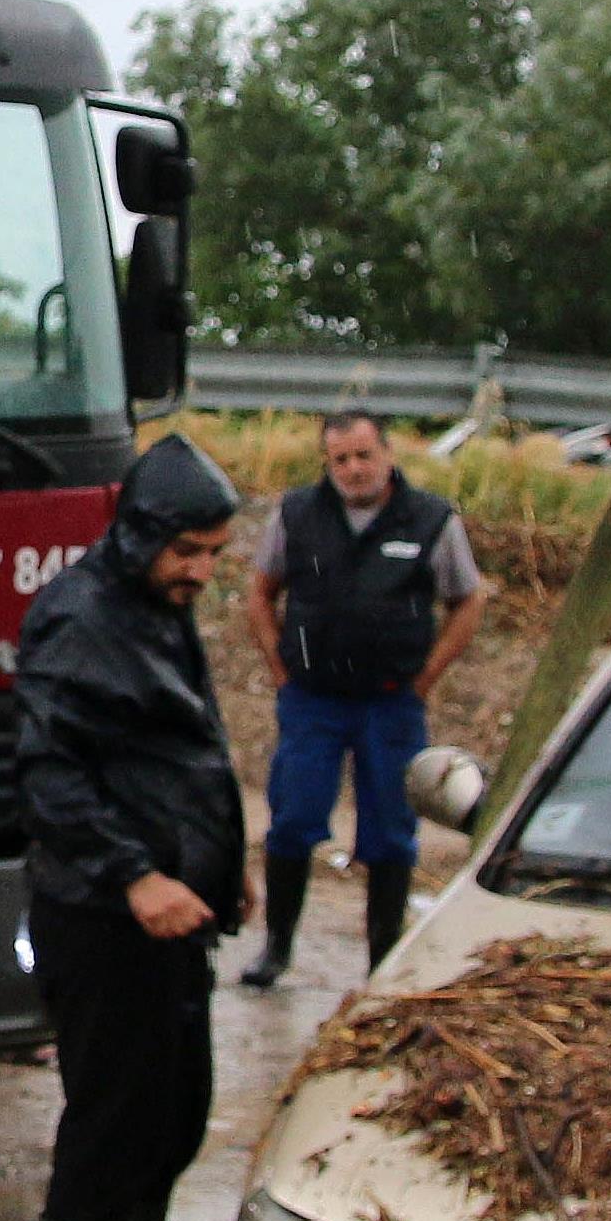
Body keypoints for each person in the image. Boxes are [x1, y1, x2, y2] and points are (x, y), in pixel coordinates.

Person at [12, 433, 251, 1221]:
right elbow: (49, 775)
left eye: (213, 555)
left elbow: (179, 748)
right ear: (144, 532)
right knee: (112, 1123)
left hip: (170, 917)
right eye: (187, 550)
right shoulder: (81, 617)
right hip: (103, 918)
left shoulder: (154, 607)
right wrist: (135, 878)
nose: (200, 571)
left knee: (169, 1116)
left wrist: (220, 869)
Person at [237, 409, 488, 989]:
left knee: (391, 831)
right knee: (294, 818)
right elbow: (258, 591)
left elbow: (469, 601)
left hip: (392, 702)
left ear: (388, 454)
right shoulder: (296, 513)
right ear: (327, 462)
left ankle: (382, 958)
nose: (353, 469)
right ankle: (276, 948)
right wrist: (280, 670)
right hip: (312, 700)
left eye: (363, 455)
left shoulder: (430, 520)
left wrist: (426, 679)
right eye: (340, 459)